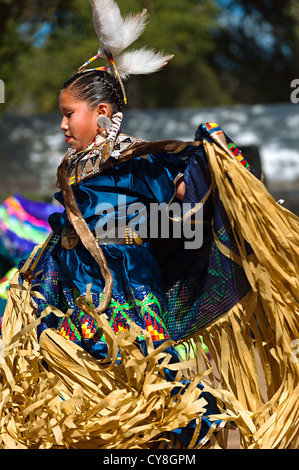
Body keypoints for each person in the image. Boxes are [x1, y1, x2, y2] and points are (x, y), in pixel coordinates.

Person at [1, 0, 299, 450]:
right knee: (78, 381)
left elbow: (191, 186)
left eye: (69, 113)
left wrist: (218, 154)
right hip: (73, 284)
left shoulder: (141, 159)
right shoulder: (77, 165)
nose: (62, 124)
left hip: (126, 286)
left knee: (145, 377)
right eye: (61, 114)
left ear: (101, 113)